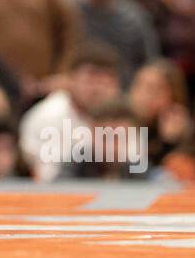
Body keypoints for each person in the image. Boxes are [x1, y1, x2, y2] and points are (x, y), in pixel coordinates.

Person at [18, 42, 122, 181]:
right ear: (70, 80)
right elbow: (49, 179)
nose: (98, 90)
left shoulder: (123, 118)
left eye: (106, 82)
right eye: (90, 80)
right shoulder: (49, 116)